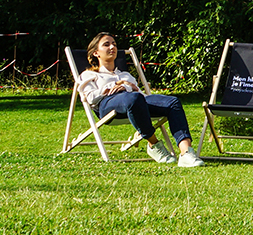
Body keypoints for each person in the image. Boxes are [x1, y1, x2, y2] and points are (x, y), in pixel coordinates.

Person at [77, 32, 204, 167]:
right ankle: (154, 144)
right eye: (106, 44)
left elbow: (139, 94)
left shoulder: (125, 75)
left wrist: (126, 86)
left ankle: (186, 153)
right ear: (96, 53)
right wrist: (113, 87)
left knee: (172, 102)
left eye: (114, 44)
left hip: (135, 100)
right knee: (133, 98)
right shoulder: (89, 74)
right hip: (107, 104)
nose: (112, 47)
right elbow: (90, 98)